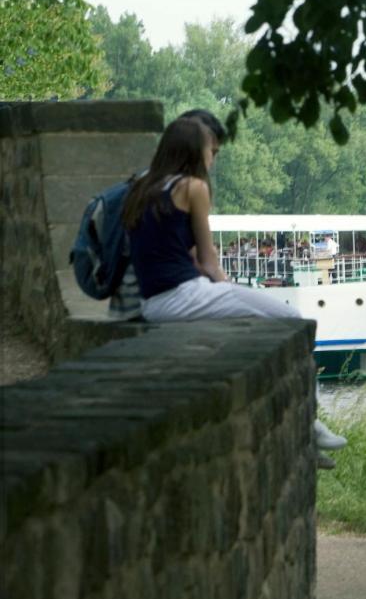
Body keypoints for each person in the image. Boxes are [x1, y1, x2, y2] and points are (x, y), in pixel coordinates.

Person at [122, 115, 346, 468]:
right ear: (196, 152)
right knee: (291, 320)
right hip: (184, 295)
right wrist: (231, 291)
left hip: (153, 303)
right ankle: (310, 420)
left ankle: (304, 433)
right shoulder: (193, 188)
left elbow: (172, 252)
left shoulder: (142, 187)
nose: (213, 158)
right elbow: (209, 262)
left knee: (256, 320)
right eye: (212, 151)